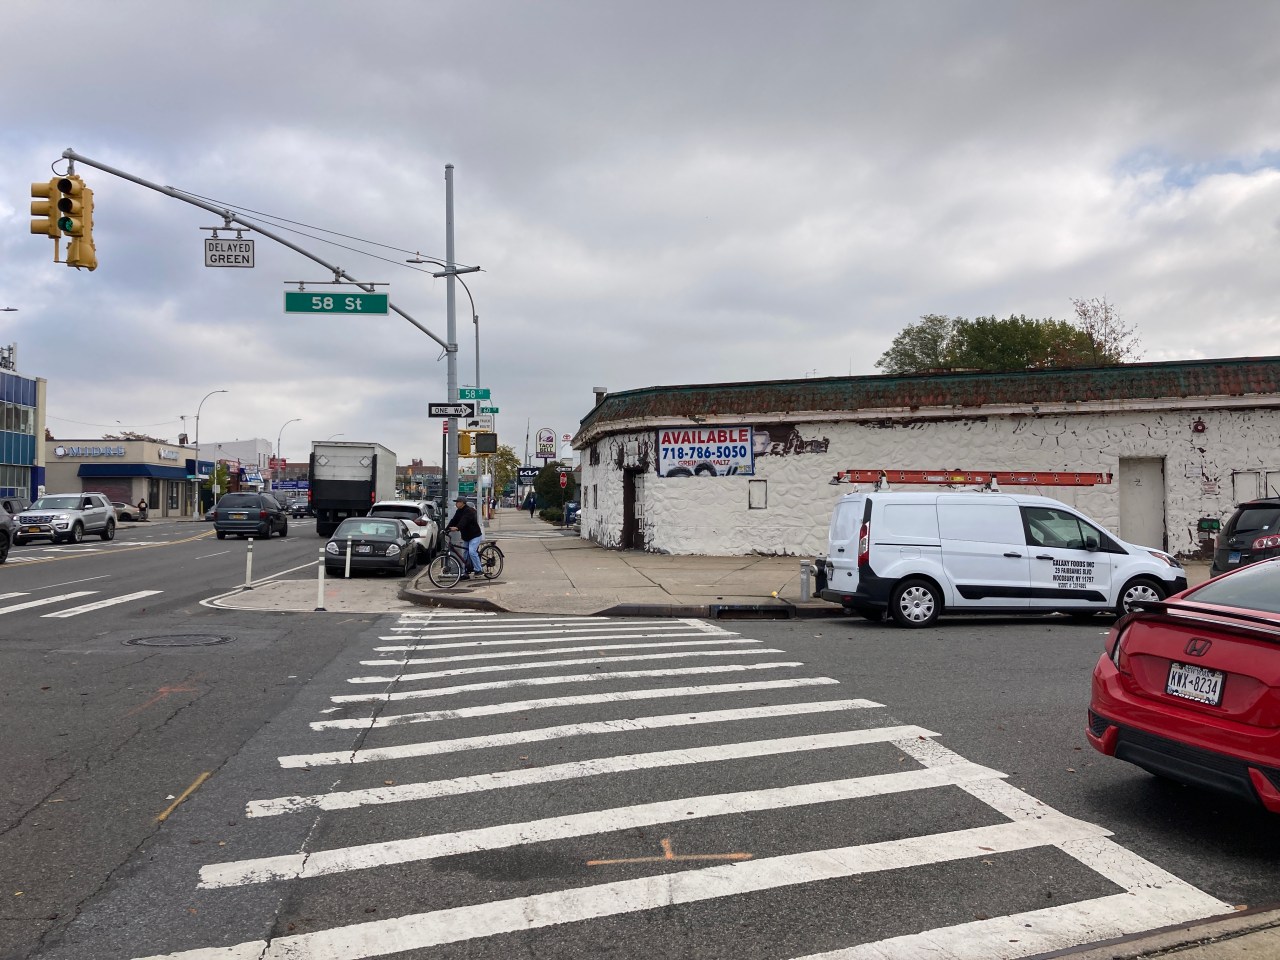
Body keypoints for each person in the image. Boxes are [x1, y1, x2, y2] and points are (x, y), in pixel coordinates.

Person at [446, 495, 484, 579]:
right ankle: (466, 572)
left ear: (462, 503)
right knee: (465, 555)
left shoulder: (469, 511)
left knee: (472, 552)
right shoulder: (458, 511)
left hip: (475, 535)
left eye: (457, 502)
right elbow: (454, 520)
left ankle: (479, 570)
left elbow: (464, 521)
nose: (456, 504)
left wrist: (457, 528)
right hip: (466, 536)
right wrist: (446, 529)